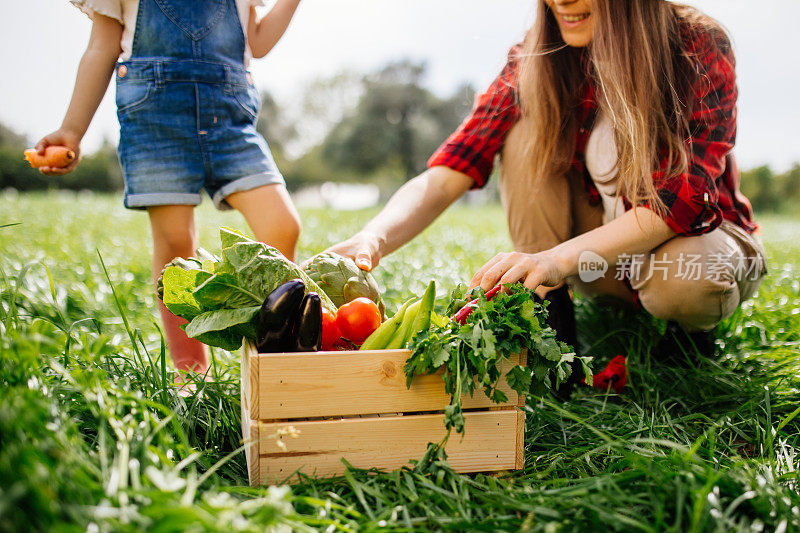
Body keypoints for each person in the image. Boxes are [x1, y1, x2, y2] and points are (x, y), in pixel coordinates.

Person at [328, 0, 766, 388]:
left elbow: (678, 202)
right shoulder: (537, 53)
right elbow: (448, 172)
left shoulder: (696, 44)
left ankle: (689, 330)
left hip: (695, 247)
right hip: (601, 263)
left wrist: (558, 259)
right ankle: (553, 322)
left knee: (686, 284)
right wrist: (375, 237)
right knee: (520, 131)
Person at [35, 0, 303, 375]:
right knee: (176, 242)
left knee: (282, 225)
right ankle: (190, 372)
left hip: (230, 123)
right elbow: (101, 48)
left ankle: (269, 361)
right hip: (156, 121)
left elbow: (255, 42)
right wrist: (72, 131)